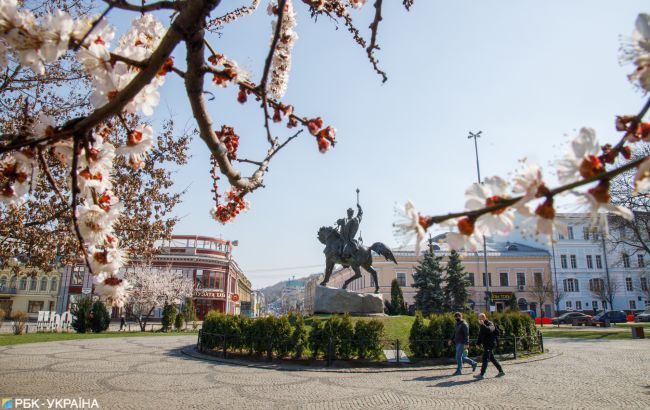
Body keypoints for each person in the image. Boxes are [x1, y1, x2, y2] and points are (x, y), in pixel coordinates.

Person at [475, 313, 505, 379]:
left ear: (484, 318)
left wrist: (483, 324)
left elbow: (489, 330)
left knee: (485, 358)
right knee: (492, 359)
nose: (479, 320)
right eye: (479, 319)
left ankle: (481, 374)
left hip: (490, 344)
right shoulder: (482, 325)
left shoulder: (490, 324)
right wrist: (478, 343)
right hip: (486, 344)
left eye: (480, 319)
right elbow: (480, 335)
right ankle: (501, 371)